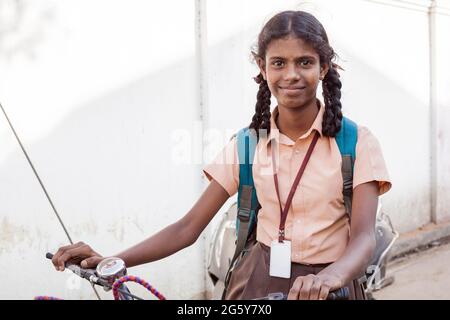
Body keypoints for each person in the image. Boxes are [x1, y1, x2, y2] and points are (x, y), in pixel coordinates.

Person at [51, 10, 391, 300]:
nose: (291, 74)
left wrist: (332, 277)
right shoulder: (246, 145)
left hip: (332, 287)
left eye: (304, 62)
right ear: (262, 67)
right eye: (278, 62)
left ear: (324, 67)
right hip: (260, 284)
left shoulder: (357, 142)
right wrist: (113, 260)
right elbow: (187, 227)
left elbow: (362, 237)